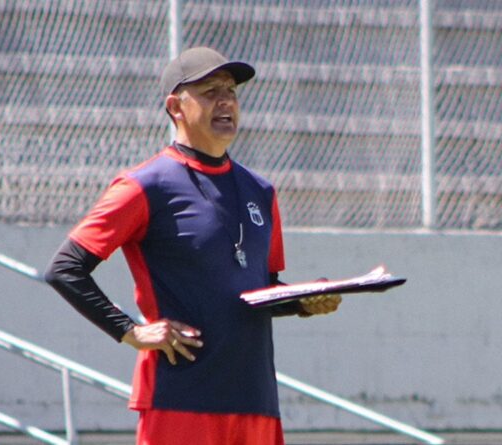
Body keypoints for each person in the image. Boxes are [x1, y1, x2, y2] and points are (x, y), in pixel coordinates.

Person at [44, 46, 342, 445]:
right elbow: (65, 268)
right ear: (176, 106)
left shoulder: (261, 191)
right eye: (210, 91)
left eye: (231, 91)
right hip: (180, 400)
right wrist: (131, 331)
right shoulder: (145, 185)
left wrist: (304, 301)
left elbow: (258, 293)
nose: (226, 102)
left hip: (255, 402)